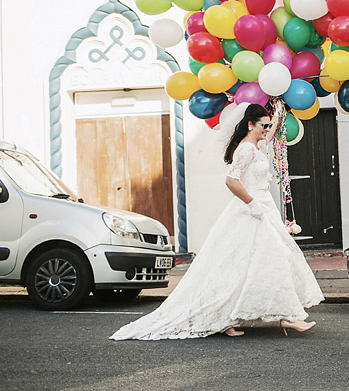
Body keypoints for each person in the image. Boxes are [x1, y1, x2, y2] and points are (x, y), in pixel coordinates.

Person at [111, 103, 324, 340]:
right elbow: (231, 181)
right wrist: (252, 205)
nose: (266, 129)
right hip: (252, 209)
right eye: (262, 125)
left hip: (264, 207)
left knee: (253, 263)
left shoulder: (256, 145)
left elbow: (272, 130)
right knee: (267, 258)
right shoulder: (246, 150)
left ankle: (240, 317)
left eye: (267, 125)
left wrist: (279, 108)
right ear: (250, 125)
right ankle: (286, 316)